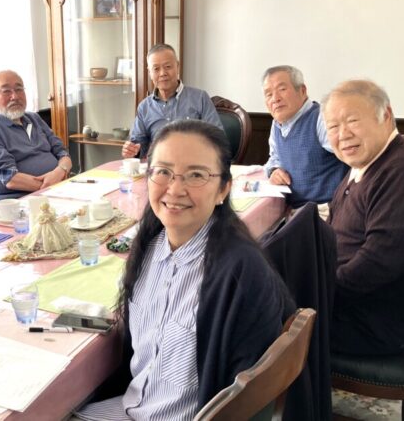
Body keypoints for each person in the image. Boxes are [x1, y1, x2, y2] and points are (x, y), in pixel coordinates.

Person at [77, 120, 294, 420]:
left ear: (223, 190)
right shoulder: (149, 246)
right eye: (163, 171)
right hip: (129, 405)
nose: (175, 189)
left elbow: (243, 401)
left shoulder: (240, 274)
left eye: (196, 175)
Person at [323, 80, 404, 355]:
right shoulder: (367, 164)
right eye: (332, 127)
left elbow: (377, 264)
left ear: (386, 115)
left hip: (376, 321)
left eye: (352, 121)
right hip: (355, 302)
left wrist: (315, 294)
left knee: (259, 322)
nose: (342, 134)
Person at [0, 70, 72, 205]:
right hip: (17, 203)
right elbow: (10, 178)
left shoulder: (34, 118)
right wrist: (53, 185)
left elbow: (63, 153)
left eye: (19, 89)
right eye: (6, 91)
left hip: (56, 190)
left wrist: (61, 171)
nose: (14, 96)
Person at [263, 65, 348, 207]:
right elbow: (275, 157)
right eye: (268, 94)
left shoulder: (322, 118)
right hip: (295, 208)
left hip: (328, 209)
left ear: (302, 90)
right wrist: (273, 171)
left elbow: (354, 158)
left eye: (282, 89)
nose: (275, 99)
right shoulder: (277, 123)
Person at [122, 44, 222, 159]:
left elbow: (218, 139)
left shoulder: (200, 98)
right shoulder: (144, 107)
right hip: (158, 166)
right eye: (156, 69)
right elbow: (138, 145)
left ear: (177, 66)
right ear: (149, 73)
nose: (162, 73)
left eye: (168, 66)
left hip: (193, 163)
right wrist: (131, 150)